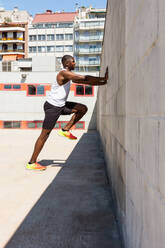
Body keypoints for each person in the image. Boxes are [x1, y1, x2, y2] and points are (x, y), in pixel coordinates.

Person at [26, 55, 108, 171]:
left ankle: (65, 130)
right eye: (73, 62)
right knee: (44, 135)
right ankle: (32, 162)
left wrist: (102, 82)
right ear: (67, 64)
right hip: (52, 107)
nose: (75, 63)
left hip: (61, 105)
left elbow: (86, 81)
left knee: (82, 109)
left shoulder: (70, 76)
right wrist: (102, 79)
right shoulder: (63, 73)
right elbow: (85, 78)